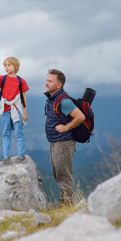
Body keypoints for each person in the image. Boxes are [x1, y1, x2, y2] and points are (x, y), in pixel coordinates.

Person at [44, 69, 85, 205]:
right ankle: (64, 202)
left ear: (59, 85)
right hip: (55, 142)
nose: (47, 83)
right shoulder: (53, 98)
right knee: (58, 173)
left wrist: (65, 127)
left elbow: (80, 117)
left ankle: (66, 203)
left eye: (50, 81)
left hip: (64, 142)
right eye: (47, 80)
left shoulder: (64, 101)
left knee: (64, 174)